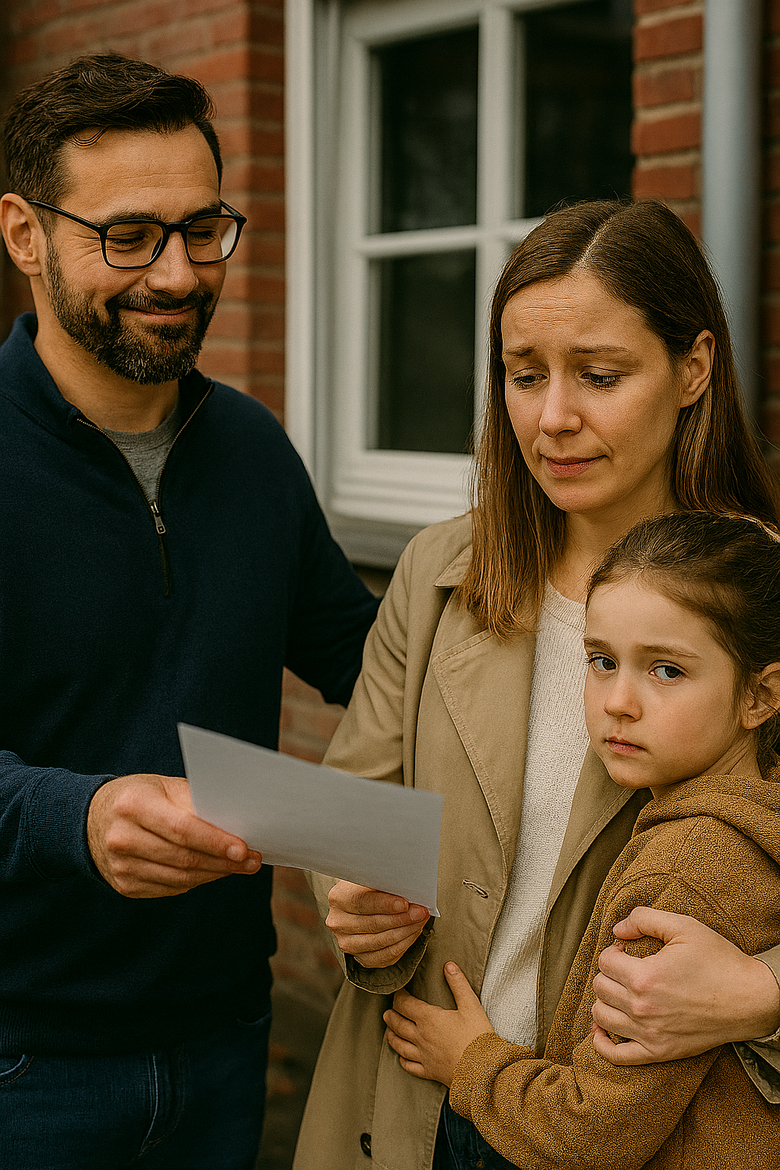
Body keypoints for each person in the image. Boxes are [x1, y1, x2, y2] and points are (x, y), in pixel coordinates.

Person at [293, 199, 780, 1170]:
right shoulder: (439, 575)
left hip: (621, 1129)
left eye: (599, 376)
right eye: (524, 376)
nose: (553, 417)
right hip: (408, 1091)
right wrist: (352, 902)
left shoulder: (764, 599)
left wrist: (764, 993)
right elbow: (352, 802)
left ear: (694, 369)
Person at [0, 53, 378, 1169]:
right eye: (129, 236)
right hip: (24, 1061)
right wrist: (74, 815)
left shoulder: (254, 448)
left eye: (202, 228)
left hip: (228, 1037)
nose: (176, 275)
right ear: (24, 233)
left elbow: (368, 662)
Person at [384, 511, 780, 1168]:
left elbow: (591, 1133)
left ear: (760, 697)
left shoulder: (683, 875)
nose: (618, 700)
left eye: (668, 671)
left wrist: (470, 1063)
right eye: (602, 660)